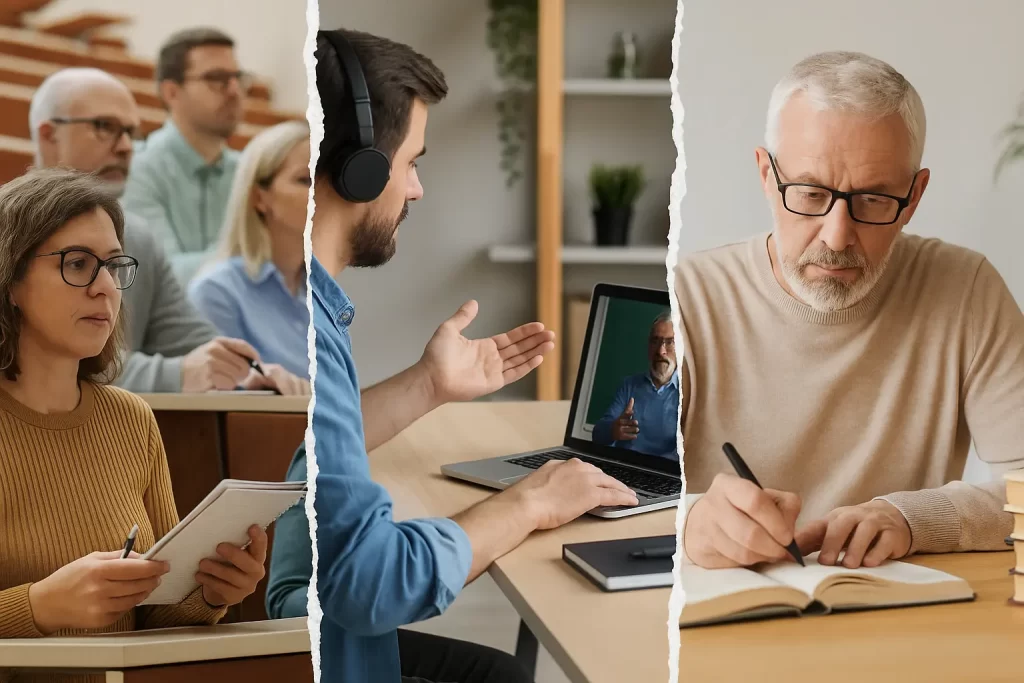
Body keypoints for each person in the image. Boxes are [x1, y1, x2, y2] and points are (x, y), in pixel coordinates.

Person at [284, 27, 639, 683]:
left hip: (311, 624)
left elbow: (303, 451)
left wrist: (427, 385)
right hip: (325, 646)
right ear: (361, 167)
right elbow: (373, 581)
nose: (416, 189)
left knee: (504, 673)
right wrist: (526, 505)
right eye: (412, 161)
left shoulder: (307, 307)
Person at [676, 51, 1024, 572]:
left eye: (875, 200)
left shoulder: (966, 291)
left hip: (896, 621)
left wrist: (914, 519)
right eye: (811, 193)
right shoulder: (687, 299)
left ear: (915, 196)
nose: (837, 236)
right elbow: (604, 494)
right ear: (767, 177)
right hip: (717, 619)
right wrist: (687, 521)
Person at [0, 169, 265, 662]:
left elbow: (154, 615)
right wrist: (39, 607)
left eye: (114, 266)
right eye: (77, 264)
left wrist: (209, 593)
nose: (106, 289)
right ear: (10, 281)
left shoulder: (131, 419)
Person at [28, 66, 308, 395]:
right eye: (105, 127)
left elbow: (192, 340)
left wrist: (250, 372)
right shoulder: (11, 232)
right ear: (49, 136)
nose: (125, 147)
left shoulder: (140, 240)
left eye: (132, 133)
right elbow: (47, 362)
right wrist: (176, 376)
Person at [122, 27, 247, 284]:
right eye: (217, 78)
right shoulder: (135, 168)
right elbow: (161, 279)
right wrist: (256, 255)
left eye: (238, 77)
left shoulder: (250, 171)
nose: (235, 91)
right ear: (171, 92)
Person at [188, 120, 310, 380]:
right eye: (306, 180)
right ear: (259, 198)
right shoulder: (217, 292)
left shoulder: (327, 292)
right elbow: (223, 399)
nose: (322, 192)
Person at [592, 310, 679, 458]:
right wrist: (613, 430)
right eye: (655, 341)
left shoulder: (692, 394)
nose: (660, 351)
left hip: (665, 474)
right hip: (624, 467)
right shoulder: (629, 385)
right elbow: (597, 434)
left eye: (670, 342)